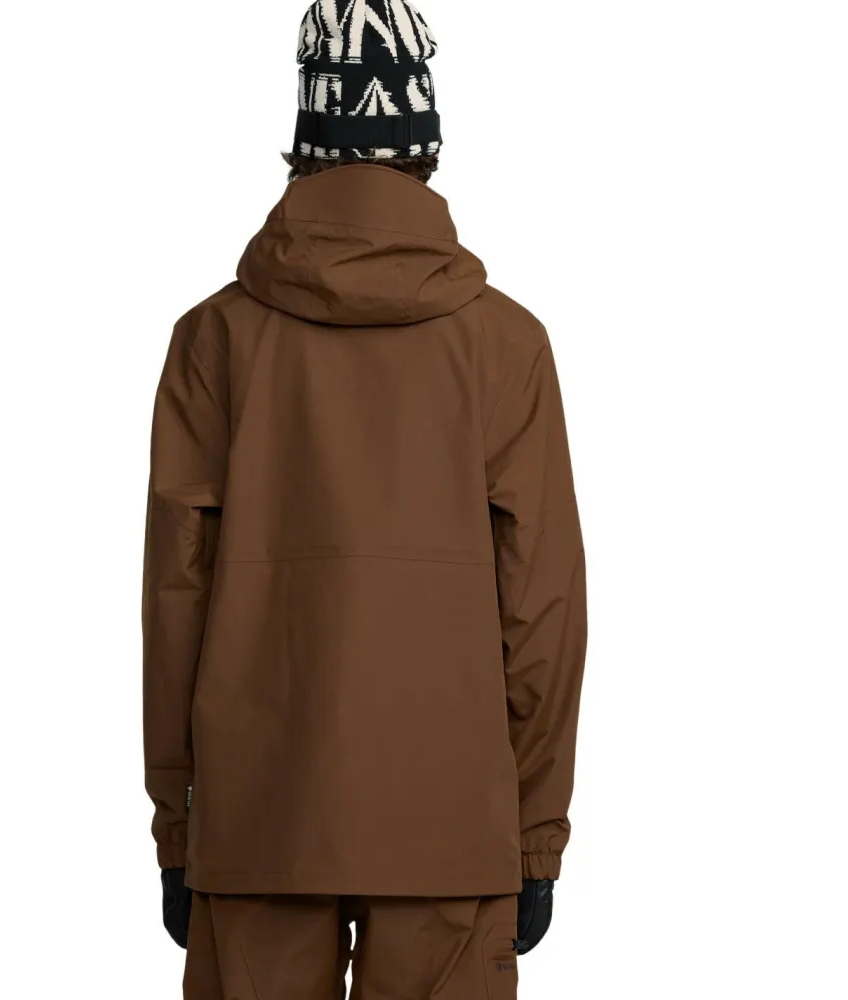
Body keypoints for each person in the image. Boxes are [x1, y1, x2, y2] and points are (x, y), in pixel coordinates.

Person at [142, 3, 588, 997]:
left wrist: (180, 824)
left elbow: (175, 602)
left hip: (258, 818)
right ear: (425, 138)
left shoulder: (214, 340)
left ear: (306, 135)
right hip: (450, 818)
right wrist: (535, 834)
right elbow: (544, 606)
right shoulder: (506, 345)